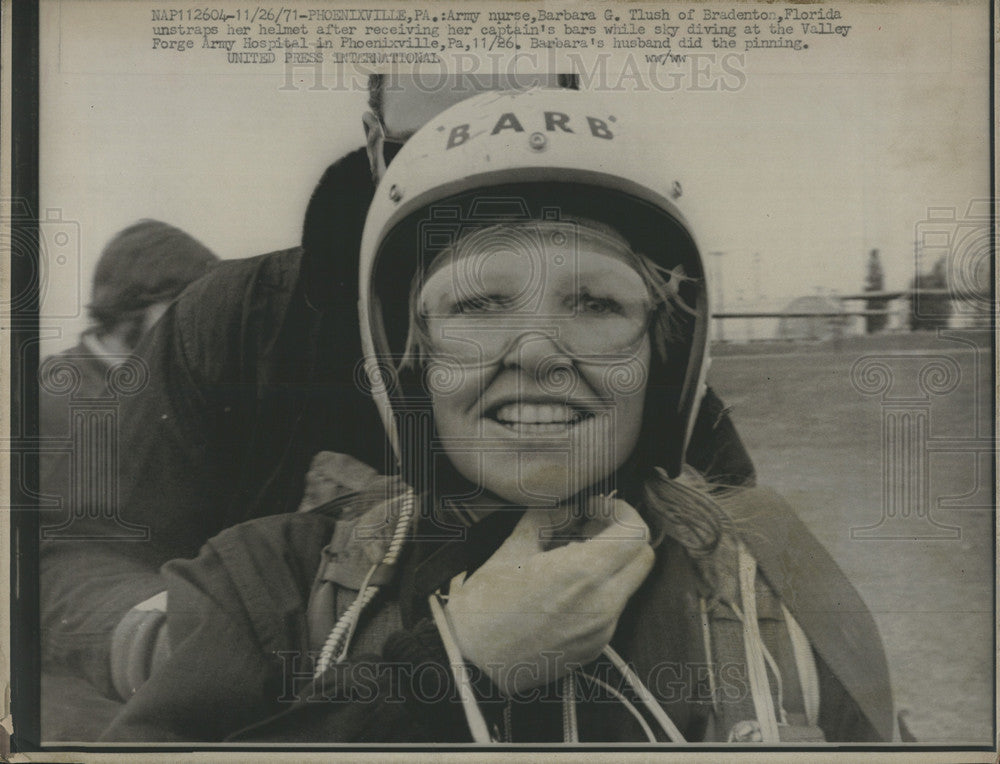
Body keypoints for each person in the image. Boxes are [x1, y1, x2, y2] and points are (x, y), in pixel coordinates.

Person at [99, 88, 893, 744]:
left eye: (594, 302)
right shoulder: (262, 581)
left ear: (664, 355)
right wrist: (447, 670)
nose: (539, 352)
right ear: (409, 355)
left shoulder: (776, 570)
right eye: (478, 303)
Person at [38, 219, 218, 738]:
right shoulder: (46, 400)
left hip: (178, 638)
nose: (203, 324)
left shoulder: (176, 389)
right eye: (186, 306)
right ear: (136, 305)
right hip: (82, 666)